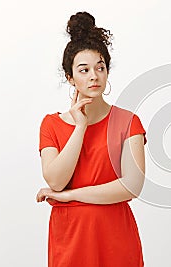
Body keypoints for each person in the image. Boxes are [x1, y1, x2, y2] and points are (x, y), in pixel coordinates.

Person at [36, 11, 146, 267]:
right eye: (84, 70)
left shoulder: (128, 122)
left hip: (114, 236)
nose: (94, 76)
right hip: (70, 237)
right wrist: (80, 127)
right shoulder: (51, 124)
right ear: (70, 78)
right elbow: (55, 179)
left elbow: (131, 186)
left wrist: (67, 197)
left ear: (107, 71)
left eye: (100, 67)